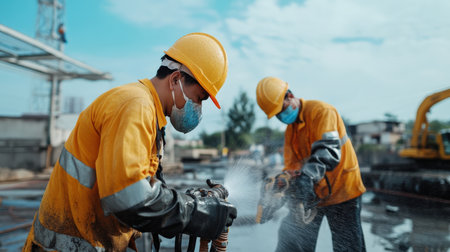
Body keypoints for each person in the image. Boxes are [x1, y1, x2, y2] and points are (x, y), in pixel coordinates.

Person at [23, 33, 237, 251]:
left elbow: (142, 187)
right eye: (199, 98)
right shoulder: (135, 105)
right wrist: (195, 212)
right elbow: (128, 197)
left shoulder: (150, 113)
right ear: (175, 80)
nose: (198, 108)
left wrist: (187, 203)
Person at [255, 76, 366, 252]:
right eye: (276, 115)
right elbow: (292, 169)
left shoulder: (322, 112)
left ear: (290, 96)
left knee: (347, 245)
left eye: (281, 109)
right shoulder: (290, 132)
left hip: (343, 191)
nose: (280, 117)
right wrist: (280, 188)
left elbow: (327, 151)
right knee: (291, 237)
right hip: (313, 193)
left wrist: (307, 176)